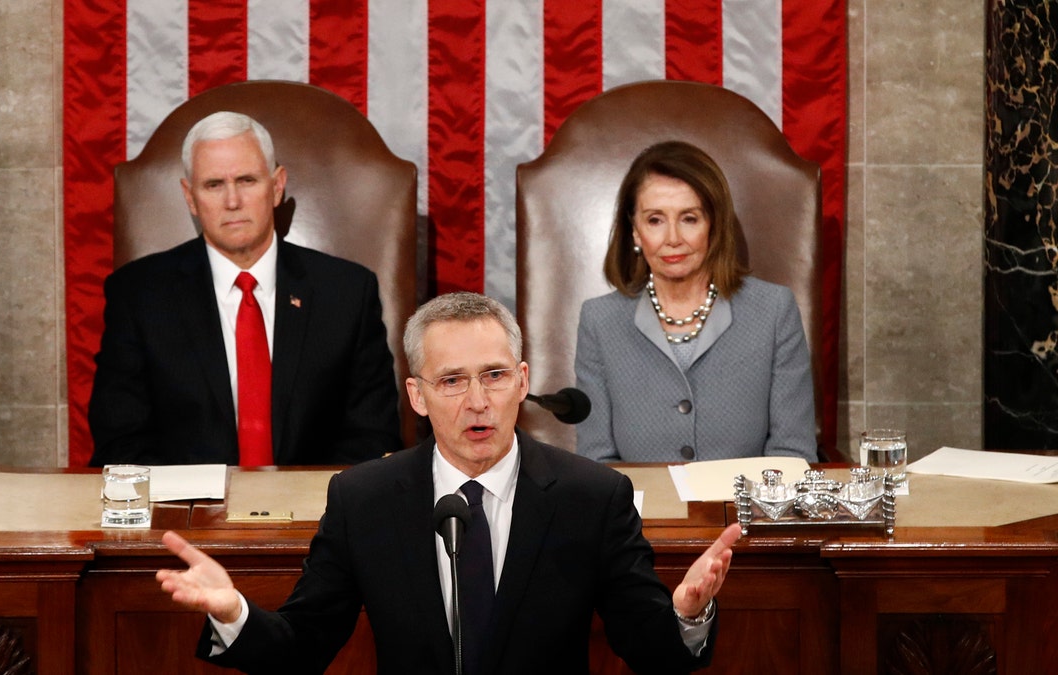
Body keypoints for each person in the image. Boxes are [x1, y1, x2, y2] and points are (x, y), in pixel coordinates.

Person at [157, 291, 741, 674]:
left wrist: (686, 615)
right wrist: (234, 611)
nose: (478, 401)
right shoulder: (365, 499)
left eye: (493, 376)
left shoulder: (592, 497)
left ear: (522, 381)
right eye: (452, 381)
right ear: (417, 396)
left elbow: (649, 649)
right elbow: (303, 645)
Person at [88, 111, 401, 466]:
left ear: (277, 186)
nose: (232, 201)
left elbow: (373, 438)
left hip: (318, 513)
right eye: (213, 185)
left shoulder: (346, 293)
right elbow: (121, 443)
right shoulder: (139, 296)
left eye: (247, 180)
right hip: (186, 515)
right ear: (190, 197)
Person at [576, 141, 817, 463]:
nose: (673, 238)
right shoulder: (599, 321)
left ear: (713, 225)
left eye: (689, 218)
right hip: (636, 511)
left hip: (743, 511)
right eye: (655, 220)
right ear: (634, 231)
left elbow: (792, 454)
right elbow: (598, 462)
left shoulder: (773, 311)